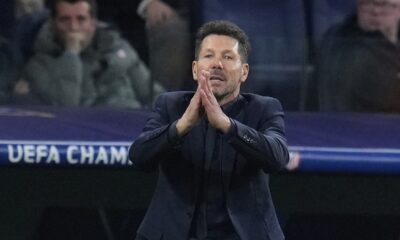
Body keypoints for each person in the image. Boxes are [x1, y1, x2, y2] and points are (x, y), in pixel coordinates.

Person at [129, 20, 289, 240]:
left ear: (244, 72)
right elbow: (139, 156)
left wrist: (228, 126)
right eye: (209, 56)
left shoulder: (264, 108)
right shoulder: (171, 105)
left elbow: (278, 157)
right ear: (195, 69)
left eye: (227, 57)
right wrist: (182, 125)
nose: (217, 64)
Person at [20, 0, 162, 108]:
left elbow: (153, 95)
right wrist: (71, 54)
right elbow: (65, 107)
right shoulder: (39, 64)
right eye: (65, 20)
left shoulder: (119, 51)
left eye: (81, 19)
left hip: (127, 128)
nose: (73, 27)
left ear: (93, 23)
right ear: (53, 24)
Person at [316, 0, 400, 112]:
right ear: (358, 5)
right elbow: (386, 92)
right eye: (368, 2)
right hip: (359, 123)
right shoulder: (342, 42)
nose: (376, 11)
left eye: (385, 4)